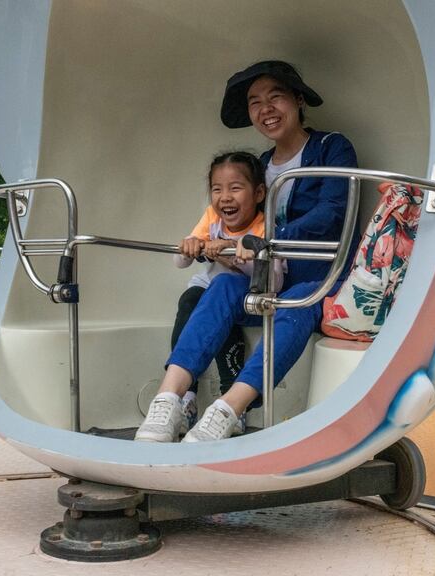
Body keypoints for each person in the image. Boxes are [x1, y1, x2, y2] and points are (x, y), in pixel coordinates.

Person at [135, 60, 358, 443]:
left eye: (276, 97)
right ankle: (167, 400)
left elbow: (333, 212)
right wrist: (219, 248)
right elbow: (237, 225)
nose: (266, 109)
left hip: (313, 280)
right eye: (256, 102)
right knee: (218, 288)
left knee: (298, 304)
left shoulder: (331, 147)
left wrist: (266, 242)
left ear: (298, 100)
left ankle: (228, 409)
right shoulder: (258, 167)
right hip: (264, 279)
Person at [169, 151, 284, 431]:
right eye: (217, 189)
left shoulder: (265, 226)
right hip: (212, 290)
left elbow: (276, 282)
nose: (225, 197)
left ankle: (231, 398)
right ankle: (186, 397)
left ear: (258, 193)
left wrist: (235, 254)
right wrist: (190, 246)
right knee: (191, 300)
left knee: (225, 306)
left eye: (235, 188)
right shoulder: (212, 217)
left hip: (248, 295)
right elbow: (179, 262)